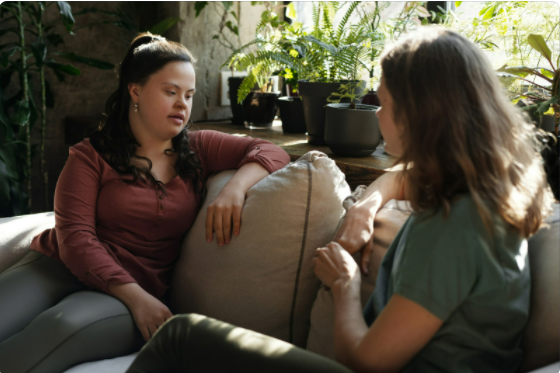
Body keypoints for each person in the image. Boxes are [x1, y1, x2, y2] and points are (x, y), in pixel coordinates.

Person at [125, 26, 555, 373]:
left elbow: (368, 359)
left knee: (182, 335)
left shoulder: (451, 231)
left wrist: (345, 284)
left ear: (419, 113)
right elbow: (407, 178)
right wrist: (367, 205)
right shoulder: (482, 191)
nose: (376, 112)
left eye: (381, 101)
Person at [0, 32, 290, 373]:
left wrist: (235, 188)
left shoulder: (200, 147)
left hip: (126, 295)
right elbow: (76, 239)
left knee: (60, 328)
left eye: (189, 95)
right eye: (171, 92)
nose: (182, 104)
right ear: (135, 90)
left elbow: (272, 151)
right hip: (53, 267)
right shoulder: (89, 157)